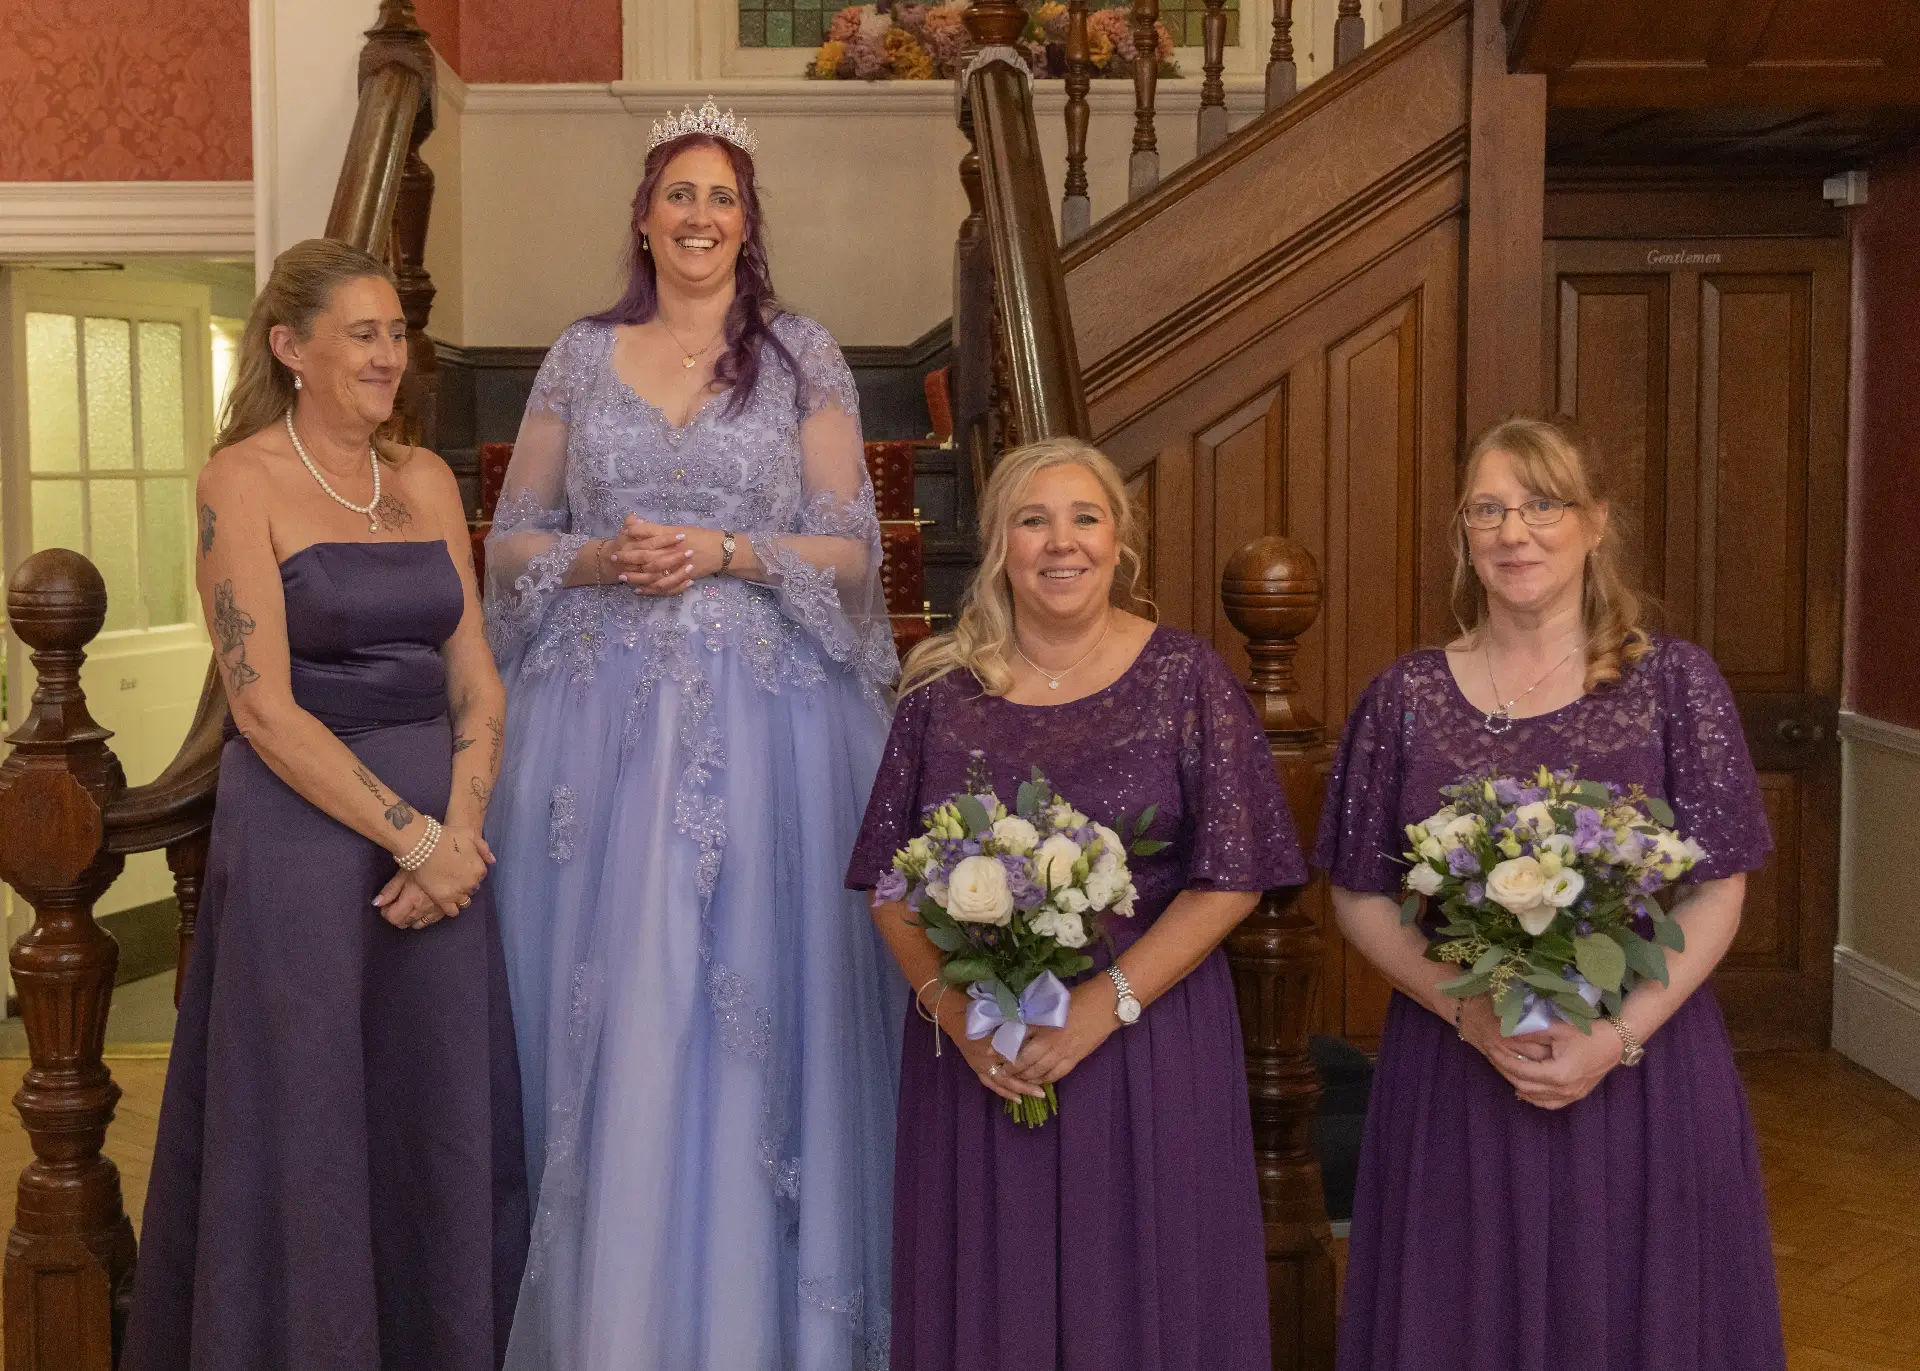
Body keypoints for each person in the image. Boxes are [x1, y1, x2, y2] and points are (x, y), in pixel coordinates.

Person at [481, 102, 903, 1371]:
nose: (700, 217)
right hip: (595, 726)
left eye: (722, 198)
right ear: (645, 218)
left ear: (747, 222)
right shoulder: (576, 356)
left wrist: (728, 550)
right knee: (624, 998)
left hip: (770, 722)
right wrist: (597, 555)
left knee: (756, 994)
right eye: (680, 195)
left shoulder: (801, 361)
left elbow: (854, 553)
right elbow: (507, 548)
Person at [123, 238, 528, 1371]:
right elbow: (259, 709)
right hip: (305, 841)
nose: (389, 354)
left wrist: (461, 833)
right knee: (307, 1118)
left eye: (396, 332)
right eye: (363, 334)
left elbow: (476, 675)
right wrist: (415, 839)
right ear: (292, 348)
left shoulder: (428, 479)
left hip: (445, 844)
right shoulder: (240, 480)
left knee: (436, 1114)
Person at [1317, 417, 1784, 1371]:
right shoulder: (1404, 697)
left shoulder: (1674, 686)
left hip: (1643, 1068)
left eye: (1540, 504)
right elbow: (1359, 895)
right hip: (1460, 1069)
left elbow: (1718, 890)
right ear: (1463, 535)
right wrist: (1470, 1012)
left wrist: (1615, 1037)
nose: (1513, 531)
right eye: (1487, 509)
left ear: (1593, 524)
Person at [845, 438, 1306, 1371]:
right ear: (1000, 546)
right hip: (981, 1052)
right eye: (1033, 519)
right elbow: (891, 885)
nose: (1063, 543)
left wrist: (1105, 1005)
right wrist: (955, 1015)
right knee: (993, 1304)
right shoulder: (939, 690)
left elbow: (1235, 874)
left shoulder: (1187, 678)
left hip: (1146, 1042)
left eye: (1085, 517)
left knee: (1142, 1301)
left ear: (1121, 541)